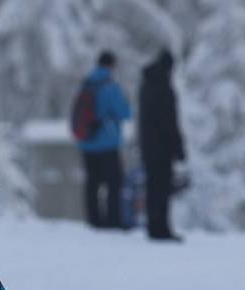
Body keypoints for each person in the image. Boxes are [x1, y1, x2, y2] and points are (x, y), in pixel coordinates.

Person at [75, 50, 132, 229]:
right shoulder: (110, 86)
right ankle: (113, 220)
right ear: (112, 65)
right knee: (114, 183)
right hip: (107, 143)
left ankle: (94, 220)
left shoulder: (87, 83)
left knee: (92, 182)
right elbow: (125, 113)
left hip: (86, 142)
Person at [138, 49, 187, 241]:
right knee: (163, 190)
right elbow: (170, 123)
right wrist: (179, 148)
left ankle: (153, 226)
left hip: (148, 148)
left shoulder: (146, 85)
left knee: (152, 188)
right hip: (163, 150)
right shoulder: (164, 88)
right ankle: (162, 229)